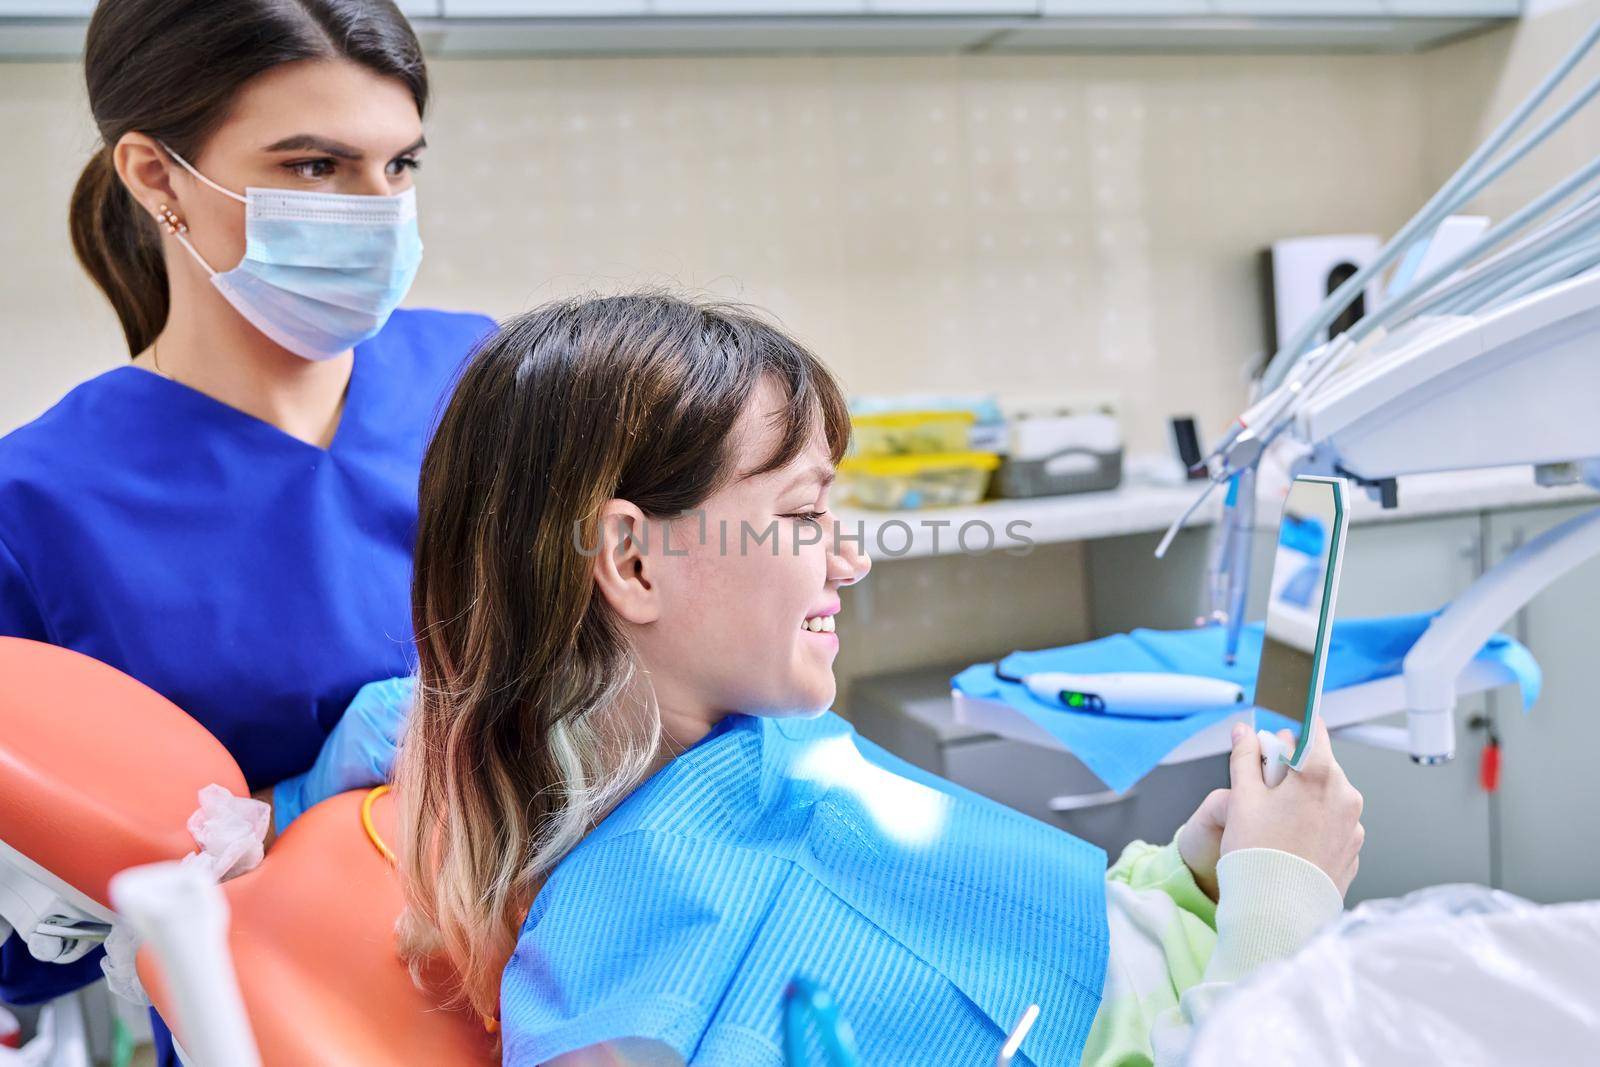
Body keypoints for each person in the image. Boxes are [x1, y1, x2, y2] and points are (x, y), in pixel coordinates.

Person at [395, 293, 1366, 1066]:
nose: (849, 561)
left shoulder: (767, 749)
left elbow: (1017, 943)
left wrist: (1188, 877)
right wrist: (1281, 904)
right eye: (804, 513)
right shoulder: (620, 1010)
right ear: (634, 562)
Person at [0, 1, 493, 1059]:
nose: (377, 209)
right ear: (153, 173)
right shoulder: (37, 503)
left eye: (399, 165)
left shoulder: (490, 384)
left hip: (587, 991)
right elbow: (26, 931)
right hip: (281, 1031)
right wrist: (281, 813)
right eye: (315, 167)